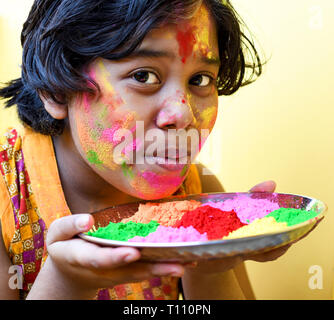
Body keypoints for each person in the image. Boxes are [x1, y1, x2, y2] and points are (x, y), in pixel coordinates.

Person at [0, 0, 289, 300]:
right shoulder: (6, 197)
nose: (183, 114)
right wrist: (67, 282)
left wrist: (209, 260)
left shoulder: (197, 195)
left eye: (200, 80)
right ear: (56, 89)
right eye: (143, 76)